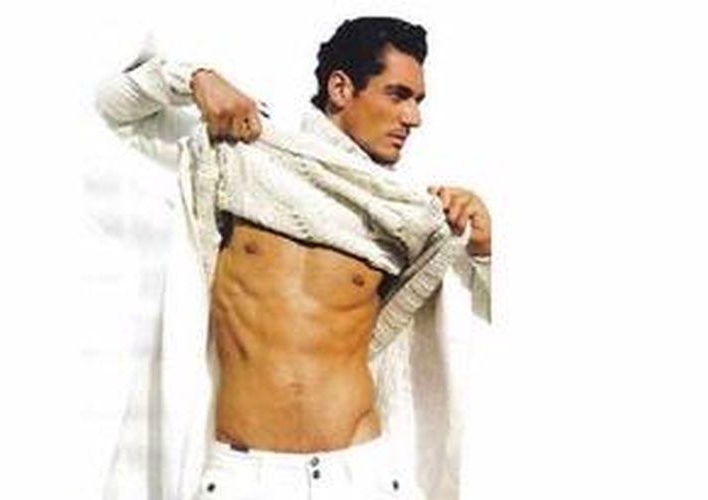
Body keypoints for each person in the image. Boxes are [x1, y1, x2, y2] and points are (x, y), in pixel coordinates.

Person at [95, 16, 491, 500]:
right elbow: (114, 107)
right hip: (245, 476)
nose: (413, 118)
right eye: (398, 95)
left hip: (358, 474)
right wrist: (194, 78)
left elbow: (490, 317)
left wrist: (484, 249)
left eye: (418, 101)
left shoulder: (403, 215)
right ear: (341, 89)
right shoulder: (240, 157)